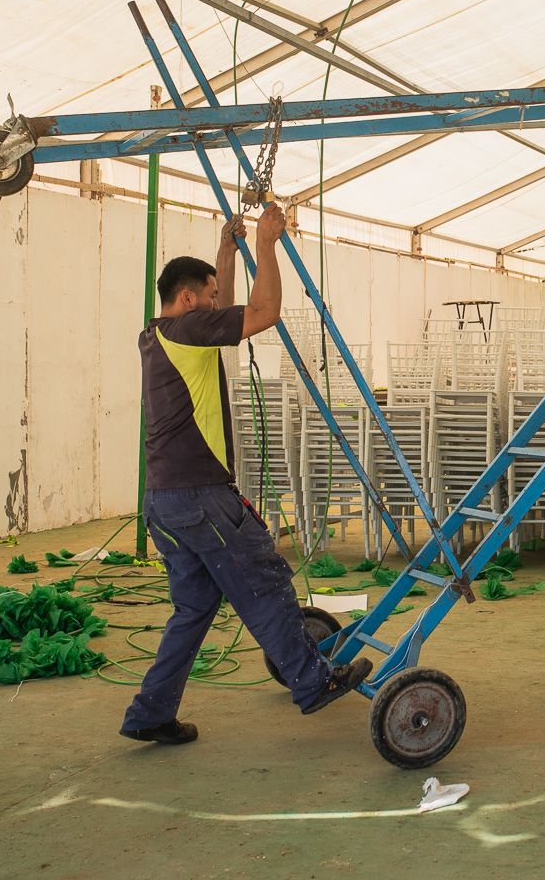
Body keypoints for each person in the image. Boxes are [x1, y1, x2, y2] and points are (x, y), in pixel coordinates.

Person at [120, 204, 370, 745]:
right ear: (188, 300)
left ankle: (149, 713)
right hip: (201, 496)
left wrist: (224, 257)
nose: (216, 304)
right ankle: (314, 681)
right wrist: (266, 244)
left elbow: (227, 313)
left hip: (164, 501)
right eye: (208, 296)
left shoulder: (160, 334)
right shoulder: (187, 330)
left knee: (193, 609)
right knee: (263, 581)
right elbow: (263, 314)